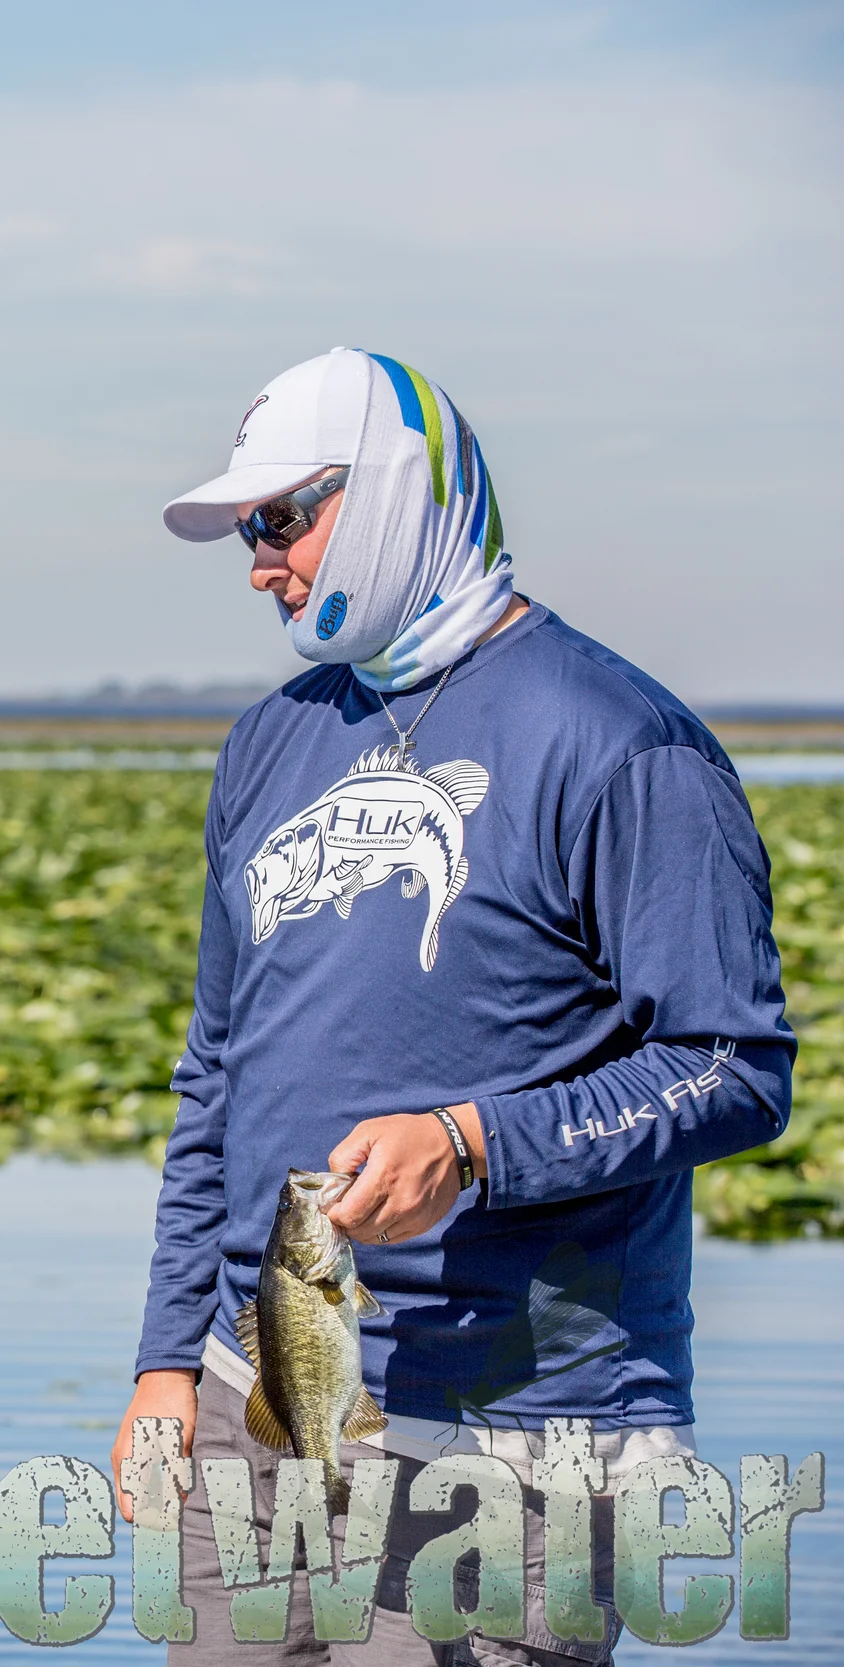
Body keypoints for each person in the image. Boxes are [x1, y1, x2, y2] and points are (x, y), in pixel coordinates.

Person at [108, 347, 794, 1665]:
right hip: (255, 1399)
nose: (259, 562)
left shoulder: (622, 740)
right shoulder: (268, 739)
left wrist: (476, 1143)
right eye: (244, 532)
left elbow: (731, 1068)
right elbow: (218, 1075)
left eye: (280, 519)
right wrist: (161, 1363)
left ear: (391, 493)